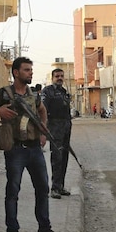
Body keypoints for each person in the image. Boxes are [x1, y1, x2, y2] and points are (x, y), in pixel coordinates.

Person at [0, 57, 64, 232]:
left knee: (43, 188)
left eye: (31, 70)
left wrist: (42, 132)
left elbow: (42, 112)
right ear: (16, 72)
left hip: (34, 149)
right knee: (13, 191)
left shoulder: (34, 95)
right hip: (15, 150)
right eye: (26, 70)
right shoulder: (4, 94)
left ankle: (44, 227)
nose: (30, 72)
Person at [41, 68, 73, 199]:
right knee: (57, 158)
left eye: (61, 76)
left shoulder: (64, 92)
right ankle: (54, 188)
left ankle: (60, 186)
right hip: (54, 127)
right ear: (52, 78)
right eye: (57, 76)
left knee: (64, 157)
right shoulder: (48, 91)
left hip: (66, 127)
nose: (59, 78)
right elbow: (42, 110)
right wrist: (44, 130)